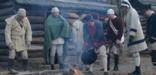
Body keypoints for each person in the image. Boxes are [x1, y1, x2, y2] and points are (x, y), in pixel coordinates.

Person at [120, 0, 148, 75]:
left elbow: (134, 23)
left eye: (124, 7)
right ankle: (137, 69)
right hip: (132, 36)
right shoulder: (126, 14)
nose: (123, 8)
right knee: (135, 53)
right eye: (122, 7)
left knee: (135, 53)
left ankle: (138, 70)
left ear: (127, 6)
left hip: (136, 35)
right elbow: (126, 26)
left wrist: (131, 34)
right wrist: (125, 35)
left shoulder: (133, 12)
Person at [5, 8, 32, 74]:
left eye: (23, 16)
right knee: (12, 55)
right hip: (13, 41)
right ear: (18, 15)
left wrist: (28, 40)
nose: (22, 18)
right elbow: (7, 32)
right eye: (21, 17)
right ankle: (10, 69)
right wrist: (9, 42)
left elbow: (29, 31)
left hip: (22, 41)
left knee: (25, 55)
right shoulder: (11, 20)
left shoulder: (26, 19)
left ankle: (25, 69)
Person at [143, 5, 156, 69]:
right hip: (151, 38)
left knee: (154, 52)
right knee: (153, 52)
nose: (145, 14)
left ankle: (154, 66)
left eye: (145, 12)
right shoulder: (150, 17)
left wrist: (154, 36)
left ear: (148, 10)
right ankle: (154, 65)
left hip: (154, 38)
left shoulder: (154, 16)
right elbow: (149, 28)